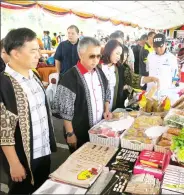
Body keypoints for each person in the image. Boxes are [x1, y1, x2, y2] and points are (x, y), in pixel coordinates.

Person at [0, 28, 57, 194]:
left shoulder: (34, 76)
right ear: (16, 53)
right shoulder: (4, 84)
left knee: (41, 188)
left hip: (42, 150)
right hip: (22, 157)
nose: (38, 55)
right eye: (33, 51)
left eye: (38, 50)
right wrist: (14, 163)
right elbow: (4, 130)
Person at [52, 37, 112, 153]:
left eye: (98, 56)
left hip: (99, 129)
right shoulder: (69, 78)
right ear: (80, 55)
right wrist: (70, 133)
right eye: (91, 56)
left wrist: (106, 110)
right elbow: (65, 111)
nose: (95, 60)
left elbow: (107, 91)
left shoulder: (99, 72)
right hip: (79, 133)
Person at [100, 40, 159, 111]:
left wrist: (151, 79)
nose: (119, 57)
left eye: (120, 54)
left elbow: (134, 79)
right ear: (109, 51)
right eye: (117, 53)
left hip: (113, 107)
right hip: (98, 106)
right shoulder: (97, 67)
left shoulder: (120, 68)